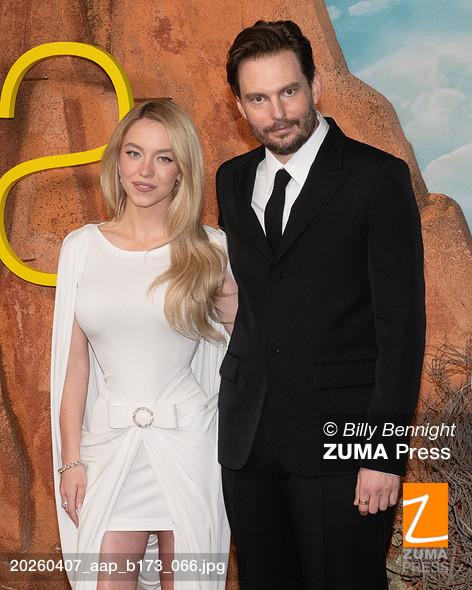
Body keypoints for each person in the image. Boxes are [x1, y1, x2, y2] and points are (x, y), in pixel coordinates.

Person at [216, 20, 426, 590]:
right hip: (248, 445)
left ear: (315, 85)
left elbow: (402, 328)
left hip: (345, 447)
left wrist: (382, 453)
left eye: (289, 91)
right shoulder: (231, 181)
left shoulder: (376, 177)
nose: (277, 112)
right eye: (258, 98)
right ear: (239, 104)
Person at [50, 99, 236, 590]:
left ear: (182, 172)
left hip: (191, 446)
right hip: (107, 451)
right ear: (117, 160)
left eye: (163, 157)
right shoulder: (81, 248)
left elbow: (245, 349)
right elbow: (73, 369)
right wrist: (71, 462)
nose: (145, 170)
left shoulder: (210, 249)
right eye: (134, 153)